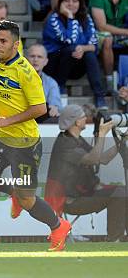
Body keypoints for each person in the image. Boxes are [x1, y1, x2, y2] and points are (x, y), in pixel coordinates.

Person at [0, 20, 72, 251]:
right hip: (1, 139)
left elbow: (40, 109)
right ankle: (11, 191)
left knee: (28, 200)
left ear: (16, 44)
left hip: (25, 144)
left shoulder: (27, 72)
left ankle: (58, 226)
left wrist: (6, 120)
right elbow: (7, 98)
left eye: (3, 41)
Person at [46, 104, 127, 242]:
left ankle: (118, 237)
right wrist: (101, 134)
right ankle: (113, 239)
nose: (87, 119)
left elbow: (103, 159)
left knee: (123, 192)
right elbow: (94, 159)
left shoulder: (76, 139)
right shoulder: (66, 144)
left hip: (79, 196)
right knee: (120, 193)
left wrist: (121, 142)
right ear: (77, 122)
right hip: (69, 201)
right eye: (83, 117)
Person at [43, 0, 106, 108]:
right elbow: (69, 40)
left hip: (76, 65)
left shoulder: (86, 19)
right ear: (61, 2)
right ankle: (59, 87)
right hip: (54, 67)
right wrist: (70, 17)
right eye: (67, 0)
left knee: (89, 54)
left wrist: (83, 49)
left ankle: (99, 95)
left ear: (80, 3)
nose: (71, 4)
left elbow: (94, 45)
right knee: (71, 49)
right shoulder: (54, 19)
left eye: (75, 1)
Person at [90, 0, 128, 90]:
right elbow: (101, 26)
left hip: (121, 31)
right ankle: (109, 81)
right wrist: (126, 32)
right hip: (97, 34)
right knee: (107, 38)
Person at [26, 44, 62, 118]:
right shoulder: (15, 79)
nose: (35, 60)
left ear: (45, 61)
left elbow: (56, 106)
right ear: (25, 59)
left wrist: (54, 109)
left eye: (39, 57)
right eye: (32, 56)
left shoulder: (51, 83)